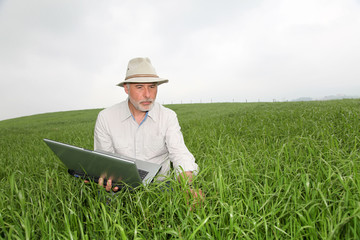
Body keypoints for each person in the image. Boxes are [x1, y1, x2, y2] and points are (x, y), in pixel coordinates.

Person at [94, 57, 203, 202]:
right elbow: (104, 161)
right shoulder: (106, 117)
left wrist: (187, 185)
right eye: (139, 87)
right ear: (126, 88)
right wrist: (106, 177)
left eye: (152, 87)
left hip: (160, 187)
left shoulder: (168, 116)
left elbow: (179, 154)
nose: (147, 94)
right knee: (107, 209)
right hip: (120, 187)